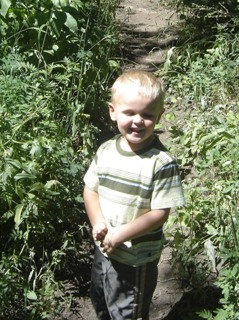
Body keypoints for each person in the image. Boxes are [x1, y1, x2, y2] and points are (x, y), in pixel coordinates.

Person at [83, 70, 185, 320]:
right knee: (102, 299)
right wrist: (98, 222)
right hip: (104, 248)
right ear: (113, 111)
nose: (138, 121)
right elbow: (90, 189)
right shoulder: (106, 150)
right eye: (129, 112)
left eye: (147, 115)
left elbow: (160, 213)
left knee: (129, 311)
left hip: (135, 258)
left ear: (159, 117)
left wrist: (121, 234)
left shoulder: (161, 163)